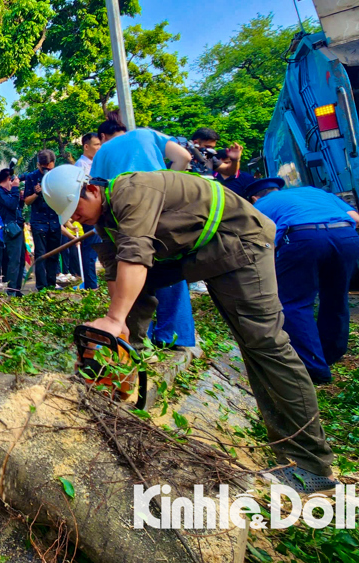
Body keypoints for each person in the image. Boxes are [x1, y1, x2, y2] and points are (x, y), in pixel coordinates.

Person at [41, 165, 338, 494]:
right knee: (127, 310)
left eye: (77, 210)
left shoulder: (132, 191)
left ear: (91, 190)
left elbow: (136, 258)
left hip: (239, 243)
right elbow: (117, 275)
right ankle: (116, 395)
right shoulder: (105, 223)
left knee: (264, 344)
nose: (77, 219)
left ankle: (311, 464)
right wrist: (116, 329)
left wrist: (114, 319)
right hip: (198, 253)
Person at [91, 113, 196, 347]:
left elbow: (96, 193)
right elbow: (184, 157)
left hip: (127, 215)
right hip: (164, 209)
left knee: (133, 269)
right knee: (171, 267)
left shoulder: (102, 152)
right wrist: (170, 182)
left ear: (102, 136)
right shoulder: (146, 134)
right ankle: (174, 337)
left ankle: (135, 336)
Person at [246, 178, 359, 384]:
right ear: (277, 189)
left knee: (294, 303)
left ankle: (314, 368)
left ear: (255, 197)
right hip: (346, 235)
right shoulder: (314, 192)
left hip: (303, 238)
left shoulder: (258, 206)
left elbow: (257, 240)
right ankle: (330, 354)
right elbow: (356, 218)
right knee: (336, 297)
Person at [23, 150, 62, 291]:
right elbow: (27, 201)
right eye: (44, 168)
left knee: (54, 254)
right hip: (39, 221)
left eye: (50, 168)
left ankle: (52, 283)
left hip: (54, 220)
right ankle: (41, 286)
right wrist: (36, 193)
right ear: (38, 164)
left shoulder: (58, 176)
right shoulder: (31, 177)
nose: (47, 171)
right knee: (40, 255)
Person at [75, 132, 102, 290]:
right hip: (90, 213)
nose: (99, 147)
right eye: (96, 144)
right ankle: (91, 285)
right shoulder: (81, 165)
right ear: (86, 146)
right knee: (91, 250)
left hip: (99, 211)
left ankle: (93, 283)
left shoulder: (97, 163)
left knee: (96, 249)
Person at [0, 168, 24, 296]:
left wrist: (20, 197)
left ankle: (17, 290)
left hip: (17, 228)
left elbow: (17, 208)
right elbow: (11, 205)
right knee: (14, 261)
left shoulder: (9, 192)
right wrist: (16, 189)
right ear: (8, 179)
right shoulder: (0, 192)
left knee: (20, 260)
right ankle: (11, 291)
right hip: (10, 229)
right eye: (12, 180)